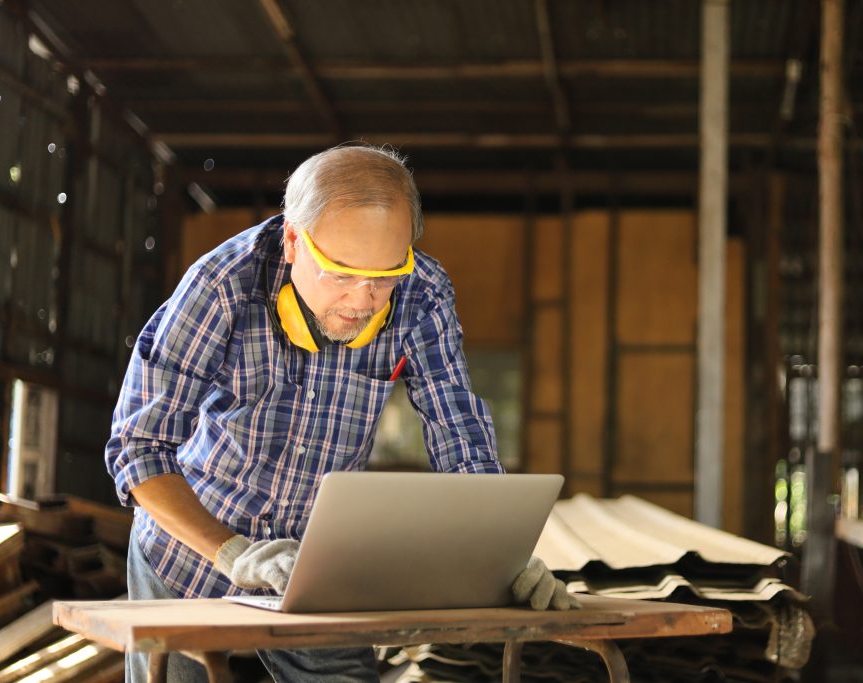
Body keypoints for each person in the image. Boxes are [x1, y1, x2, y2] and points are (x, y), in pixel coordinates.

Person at [105, 144, 577, 683]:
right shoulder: (220, 287)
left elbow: (459, 434)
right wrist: (232, 552)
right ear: (292, 242)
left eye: (385, 274)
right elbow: (139, 447)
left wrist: (501, 555)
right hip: (185, 551)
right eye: (341, 273)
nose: (365, 299)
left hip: (314, 569)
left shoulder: (421, 296)